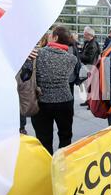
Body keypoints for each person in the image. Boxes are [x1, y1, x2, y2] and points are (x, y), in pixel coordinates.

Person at [22, 26, 77, 155]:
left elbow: (25, 76)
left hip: (42, 101)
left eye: (51, 34)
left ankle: (47, 166)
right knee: (65, 136)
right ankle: (63, 165)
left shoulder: (36, 54)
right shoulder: (72, 59)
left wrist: (27, 58)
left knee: (44, 138)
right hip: (65, 101)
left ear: (55, 37)